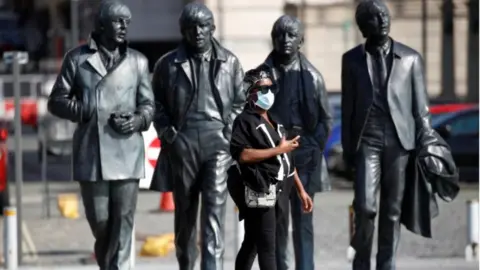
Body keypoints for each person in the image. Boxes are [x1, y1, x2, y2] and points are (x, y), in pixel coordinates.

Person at [47, 1, 155, 269]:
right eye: (118, 21)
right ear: (102, 24)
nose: (123, 27)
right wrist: (83, 109)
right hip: (92, 155)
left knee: (124, 222)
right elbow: (56, 101)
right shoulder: (77, 59)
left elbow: (149, 105)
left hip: (127, 153)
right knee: (101, 222)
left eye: (127, 22)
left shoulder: (138, 62)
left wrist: (138, 120)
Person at [149, 3, 245, 270]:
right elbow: (155, 104)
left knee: (214, 216)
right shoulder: (167, 65)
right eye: (191, 27)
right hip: (184, 143)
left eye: (203, 26)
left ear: (212, 28)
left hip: (218, 144)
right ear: (183, 31)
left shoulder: (231, 62)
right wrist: (168, 132)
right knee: (185, 219)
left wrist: (228, 132)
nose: (198, 32)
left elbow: (241, 102)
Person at [341, 1, 432, 269]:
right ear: (362, 26)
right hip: (366, 140)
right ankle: (361, 260)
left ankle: (386, 264)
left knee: (392, 211)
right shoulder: (351, 59)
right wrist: (348, 150)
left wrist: (427, 141)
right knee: (366, 207)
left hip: (399, 142)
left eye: (385, 15)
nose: (382, 20)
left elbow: (421, 109)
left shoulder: (411, 58)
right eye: (374, 17)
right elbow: (348, 110)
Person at [259, 15, 332, 270]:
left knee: (304, 221)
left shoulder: (312, 76)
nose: (285, 40)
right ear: (273, 39)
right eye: (280, 34)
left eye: (291, 35)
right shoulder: (261, 77)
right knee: (276, 222)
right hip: (273, 154)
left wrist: (314, 147)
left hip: (304, 150)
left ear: (301, 40)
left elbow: (325, 118)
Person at [229, 67, 313, 270]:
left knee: (252, 243)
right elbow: (242, 154)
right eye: (262, 89)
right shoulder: (244, 121)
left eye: (270, 88)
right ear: (250, 92)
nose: (268, 93)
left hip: (281, 191)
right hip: (261, 189)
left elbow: (288, 162)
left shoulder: (276, 123)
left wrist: (301, 191)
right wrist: (278, 149)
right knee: (267, 246)